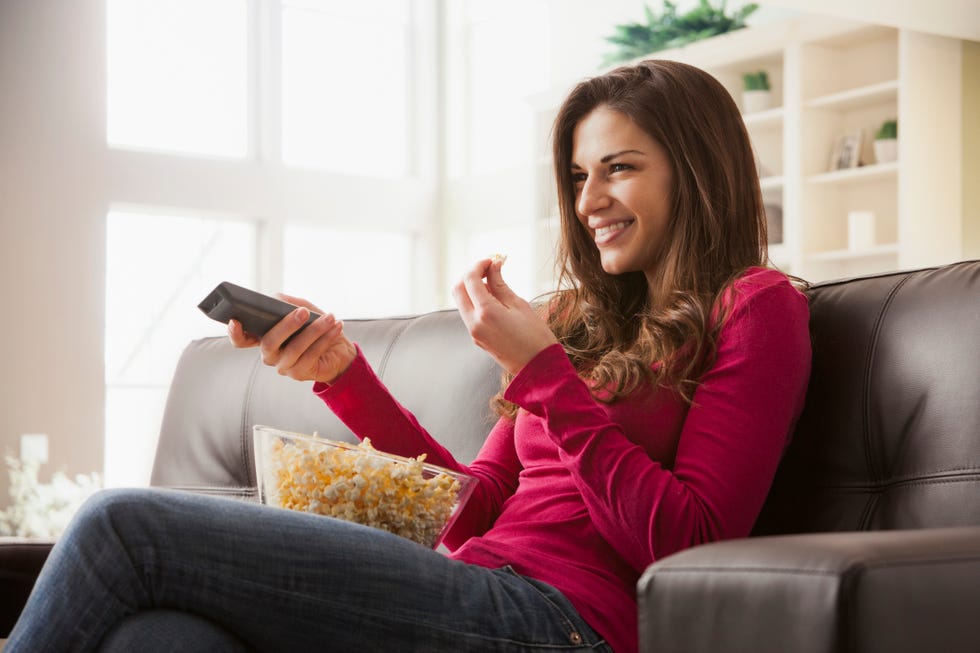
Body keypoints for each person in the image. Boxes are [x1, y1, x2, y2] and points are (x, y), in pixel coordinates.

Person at [6, 59, 811, 653]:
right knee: (160, 638)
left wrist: (545, 379)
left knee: (121, 525)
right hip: (476, 588)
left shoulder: (754, 306)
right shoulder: (579, 322)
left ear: (696, 172)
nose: (588, 200)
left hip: (566, 624)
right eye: (576, 175)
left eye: (619, 169)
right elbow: (463, 511)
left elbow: (692, 543)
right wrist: (342, 375)